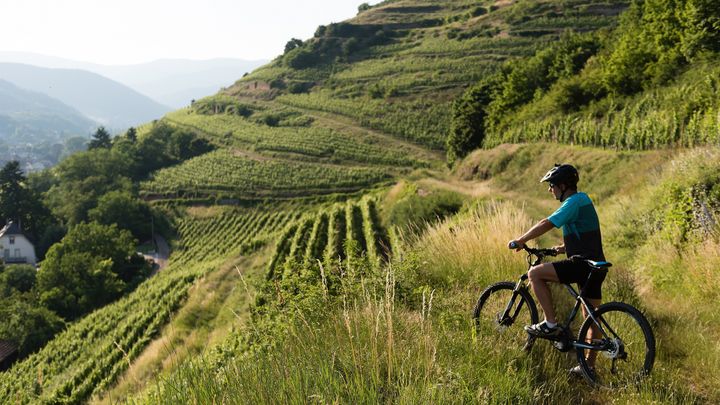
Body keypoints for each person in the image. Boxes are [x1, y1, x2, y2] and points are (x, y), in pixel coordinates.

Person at [508, 163, 606, 376]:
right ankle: (588, 367)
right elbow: (584, 233)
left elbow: (548, 222)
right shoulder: (583, 201)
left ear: (563, 185)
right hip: (596, 265)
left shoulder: (573, 201)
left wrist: (521, 240)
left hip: (582, 265)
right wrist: (561, 248)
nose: (549, 189)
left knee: (534, 274)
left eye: (551, 184)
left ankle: (551, 323)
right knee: (591, 316)